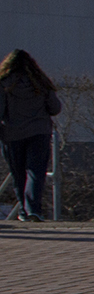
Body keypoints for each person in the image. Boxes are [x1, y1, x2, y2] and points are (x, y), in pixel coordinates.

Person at [0, 49, 62, 222]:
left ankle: (23, 211)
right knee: (36, 172)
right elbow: (55, 108)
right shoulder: (41, 83)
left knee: (18, 174)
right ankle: (33, 209)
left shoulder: (4, 84)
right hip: (39, 132)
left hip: (13, 134)